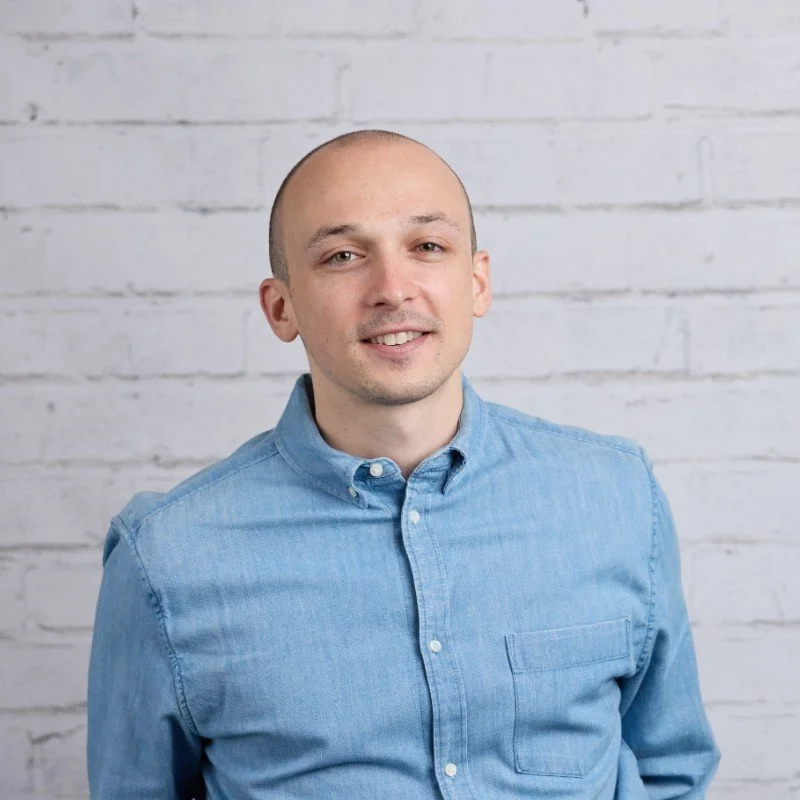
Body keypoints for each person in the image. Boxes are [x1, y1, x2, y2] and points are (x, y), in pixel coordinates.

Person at [87, 129, 720, 799]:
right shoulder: (167, 557)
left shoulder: (616, 498)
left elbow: (670, 770)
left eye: (427, 247)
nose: (392, 289)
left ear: (476, 282)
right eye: (342, 255)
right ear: (281, 307)